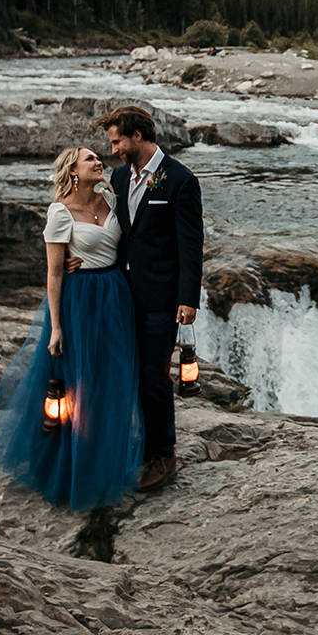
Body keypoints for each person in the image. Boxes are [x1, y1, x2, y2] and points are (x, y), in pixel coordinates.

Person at [0, 146, 143, 510]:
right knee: (76, 385)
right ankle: (71, 469)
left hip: (115, 297)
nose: (99, 161)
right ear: (72, 171)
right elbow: (54, 273)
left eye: (99, 157)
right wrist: (56, 327)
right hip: (80, 301)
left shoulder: (111, 199)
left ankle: (104, 461)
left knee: (109, 380)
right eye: (90, 159)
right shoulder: (60, 213)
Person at [97, 104, 204, 491]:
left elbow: (191, 245)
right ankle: (139, 447)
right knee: (129, 373)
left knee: (154, 377)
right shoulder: (120, 176)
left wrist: (188, 299)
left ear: (137, 136)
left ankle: (164, 454)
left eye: (117, 141)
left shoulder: (180, 180)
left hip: (162, 298)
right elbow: (114, 230)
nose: (114, 150)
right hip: (123, 295)